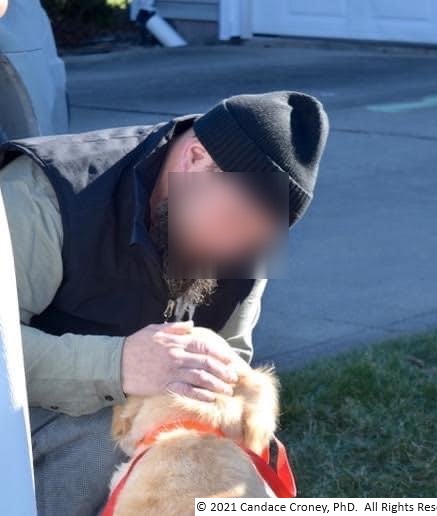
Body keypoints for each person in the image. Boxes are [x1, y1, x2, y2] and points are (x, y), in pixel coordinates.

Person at [0, 91, 328, 515]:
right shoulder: (43, 196)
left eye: (258, 239)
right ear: (196, 159)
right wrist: (117, 364)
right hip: (20, 424)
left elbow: (228, 368)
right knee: (108, 446)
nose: (236, 253)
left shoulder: (246, 241)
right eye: (234, 222)